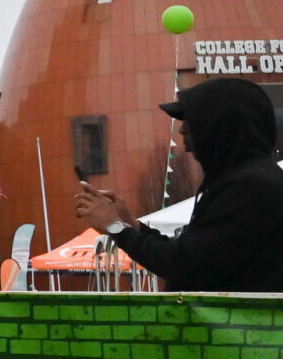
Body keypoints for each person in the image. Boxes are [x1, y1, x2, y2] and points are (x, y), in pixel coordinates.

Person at [75, 76, 283, 292]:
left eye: (192, 121)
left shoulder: (249, 187)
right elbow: (189, 253)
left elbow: (182, 264)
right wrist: (131, 225)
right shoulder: (247, 180)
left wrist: (115, 227)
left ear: (220, 126)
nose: (182, 130)